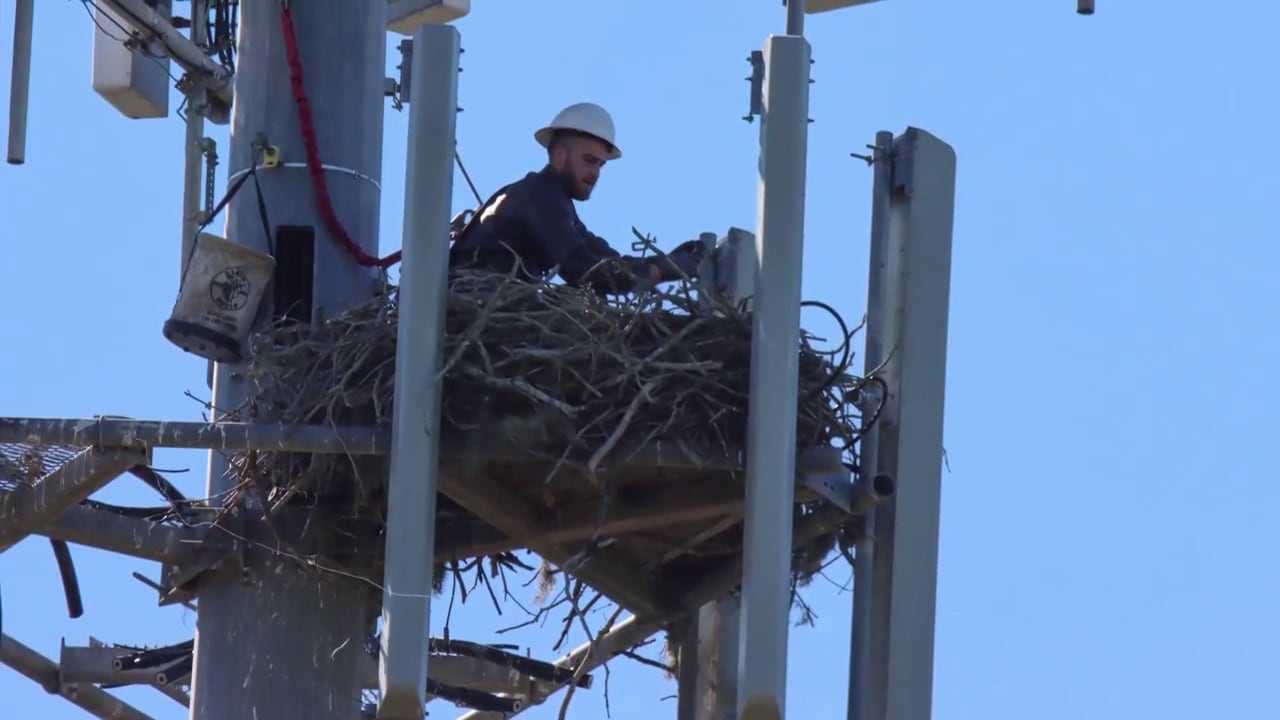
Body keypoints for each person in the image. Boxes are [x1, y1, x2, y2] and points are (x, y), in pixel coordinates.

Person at [449, 102, 706, 295]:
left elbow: (600, 257)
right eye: (589, 161)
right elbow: (584, 270)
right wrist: (659, 271)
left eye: (601, 166)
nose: (594, 173)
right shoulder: (539, 196)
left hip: (490, 305)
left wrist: (663, 262)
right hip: (477, 303)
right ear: (559, 155)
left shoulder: (549, 200)